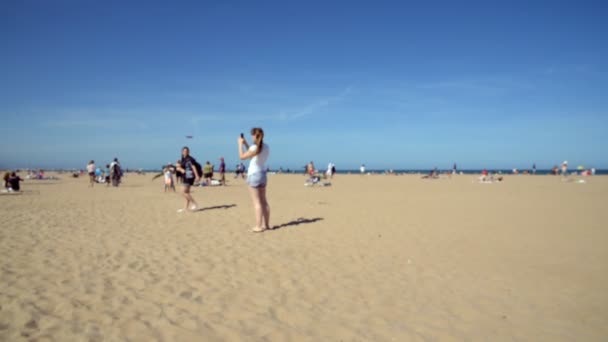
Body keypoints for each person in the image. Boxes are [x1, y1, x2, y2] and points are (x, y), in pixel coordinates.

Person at [238, 127, 270, 233]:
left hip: (254, 174)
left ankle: (258, 226)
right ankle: (267, 225)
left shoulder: (255, 147)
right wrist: (246, 143)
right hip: (262, 174)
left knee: (257, 202)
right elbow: (253, 154)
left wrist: (239, 144)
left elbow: (242, 157)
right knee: (264, 201)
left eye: (252, 135)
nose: (251, 136)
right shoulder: (266, 147)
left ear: (255, 135)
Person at [176, 146, 200, 212]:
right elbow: (182, 167)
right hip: (185, 176)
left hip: (189, 176)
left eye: (186, 151)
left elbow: (193, 167)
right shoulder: (183, 159)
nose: (185, 152)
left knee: (183, 192)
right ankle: (186, 208)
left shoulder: (189, 159)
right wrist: (179, 168)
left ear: (188, 152)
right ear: (182, 152)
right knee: (187, 192)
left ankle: (195, 204)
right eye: (184, 151)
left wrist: (197, 175)